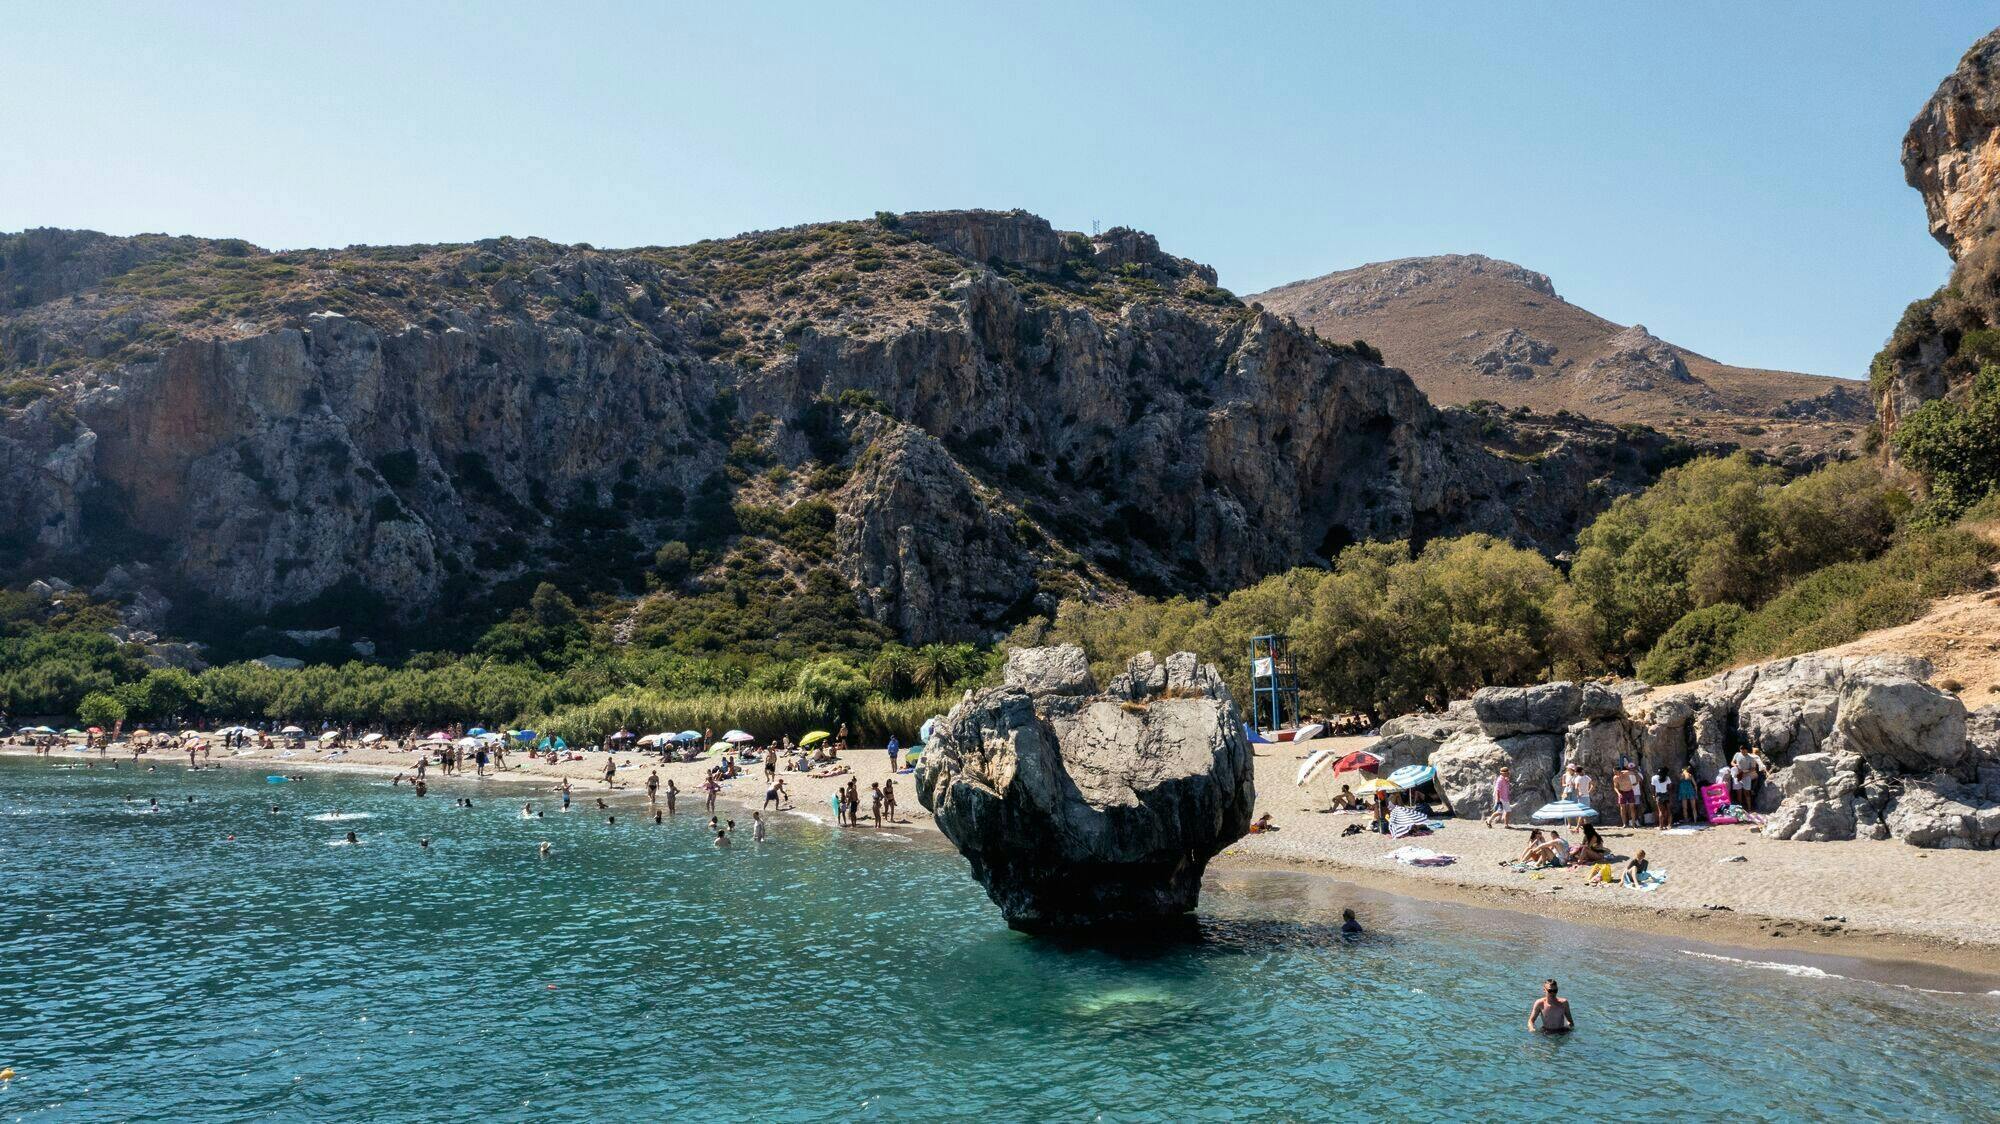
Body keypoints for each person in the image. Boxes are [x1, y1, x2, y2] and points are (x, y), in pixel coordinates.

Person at [1612, 763, 1640, 827]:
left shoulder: (1626, 773)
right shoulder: (1615, 778)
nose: (1614, 773)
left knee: (1632, 808)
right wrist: (1618, 793)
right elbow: (1615, 787)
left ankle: (1633, 823)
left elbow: (1635, 773)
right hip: (1622, 792)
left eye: (1615, 771)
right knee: (1622, 809)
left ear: (1618, 771)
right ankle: (1624, 824)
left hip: (1630, 791)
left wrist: (1636, 781)